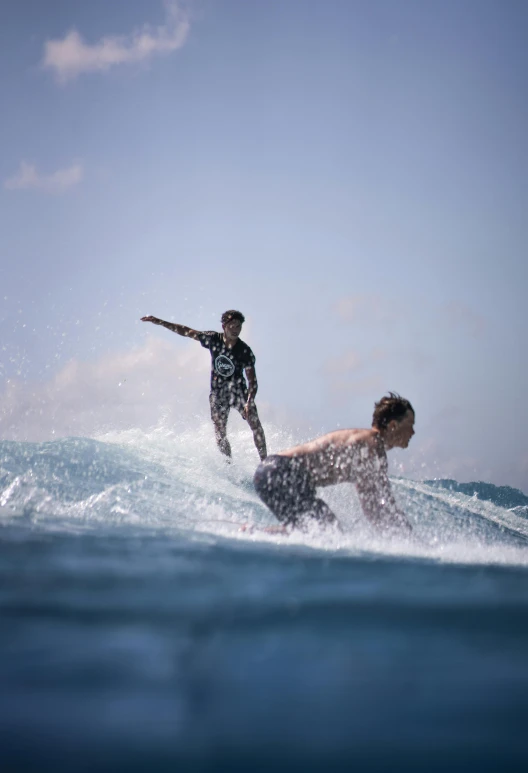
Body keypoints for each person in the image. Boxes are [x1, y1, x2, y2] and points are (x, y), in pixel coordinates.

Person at [253, 393, 415, 533]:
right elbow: (375, 509)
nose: (412, 432)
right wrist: (405, 539)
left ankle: (255, 532)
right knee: (326, 531)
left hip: (274, 473)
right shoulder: (372, 446)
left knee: (323, 530)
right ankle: (255, 534)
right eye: (410, 425)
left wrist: (401, 532)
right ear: (393, 426)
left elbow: (377, 503)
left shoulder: (368, 444)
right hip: (279, 473)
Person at [140, 310, 267, 461]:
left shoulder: (245, 351)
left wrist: (249, 401)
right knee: (220, 432)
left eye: (238, 326)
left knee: (255, 424)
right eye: (232, 325)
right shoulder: (213, 339)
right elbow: (186, 331)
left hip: (239, 392)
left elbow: (252, 381)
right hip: (218, 394)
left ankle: (265, 462)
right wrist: (160, 322)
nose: (235, 329)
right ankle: (228, 465)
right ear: (224, 326)